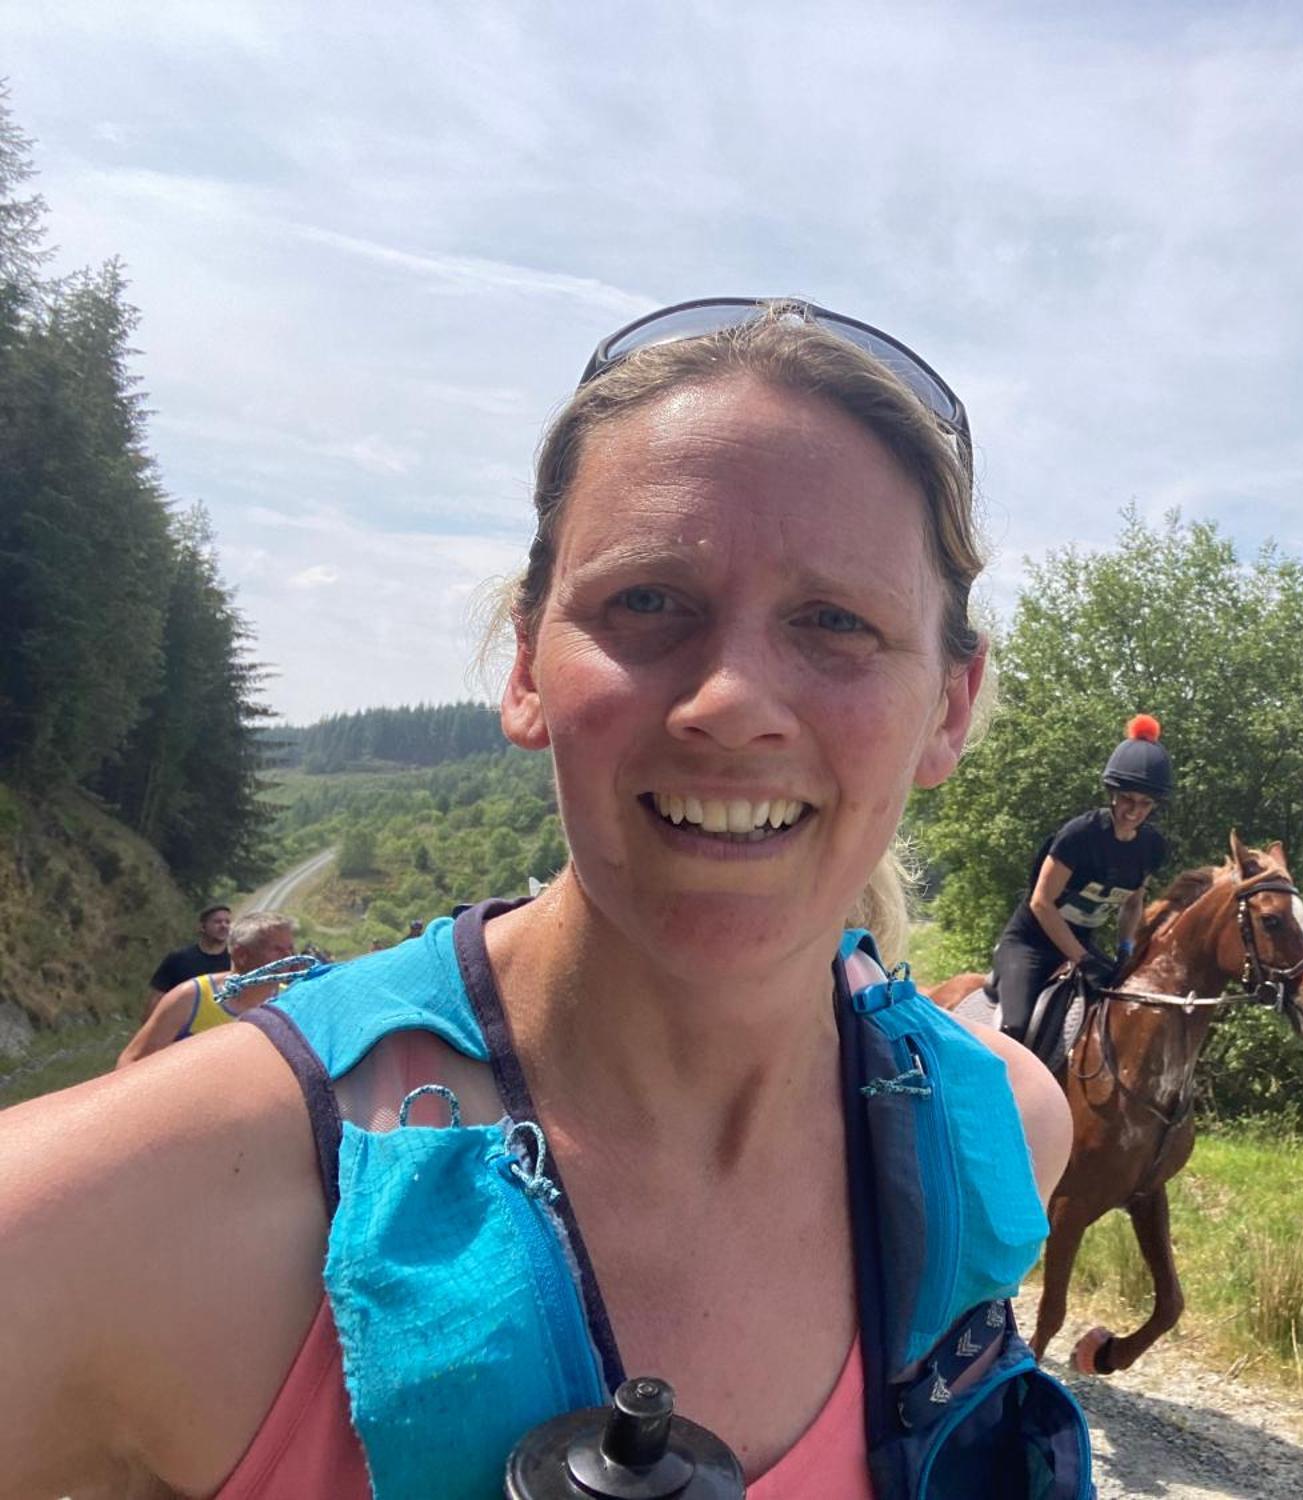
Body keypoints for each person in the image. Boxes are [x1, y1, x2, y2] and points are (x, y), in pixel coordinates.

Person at [0, 300, 1079, 1500]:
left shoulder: (998, 1131)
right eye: (648, 602)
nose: (731, 699)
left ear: (947, 705)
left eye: (835, 620)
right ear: (524, 668)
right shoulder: (138, 1219)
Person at [990, 716, 1173, 1043]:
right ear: (1113, 794)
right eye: (1128, 799)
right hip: (1029, 945)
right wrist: (1084, 959)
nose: (1135, 810)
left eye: (1145, 803)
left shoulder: (1151, 847)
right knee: (1014, 1028)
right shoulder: (1080, 835)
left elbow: (1133, 901)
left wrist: (1125, 949)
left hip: (1081, 948)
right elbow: (1041, 902)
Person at [115, 910, 301, 1068]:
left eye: (290, 949)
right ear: (241, 955)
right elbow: (132, 1061)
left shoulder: (293, 1003)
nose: (289, 957)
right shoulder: (190, 997)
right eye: (277, 950)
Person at [143, 902, 232, 1002]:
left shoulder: (235, 963)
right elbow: (157, 997)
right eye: (217, 922)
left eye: (227, 922)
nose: (224, 926)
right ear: (202, 927)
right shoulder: (177, 960)